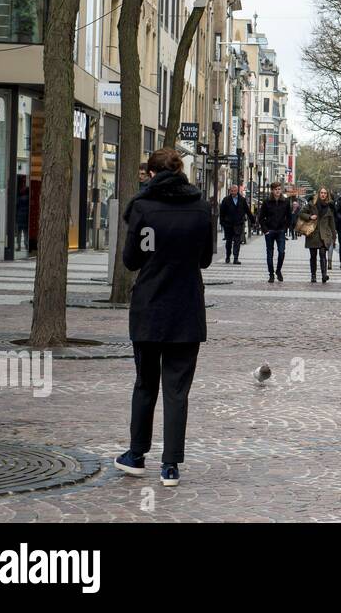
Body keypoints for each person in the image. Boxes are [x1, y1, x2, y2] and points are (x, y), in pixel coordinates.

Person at [115, 147, 212, 488]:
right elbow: (205, 259)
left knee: (145, 383)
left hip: (150, 307)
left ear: (152, 175)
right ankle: (170, 465)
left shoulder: (143, 208)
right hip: (186, 308)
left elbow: (130, 260)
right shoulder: (200, 208)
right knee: (177, 389)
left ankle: (136, 455)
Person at [296, 187, 337, 283]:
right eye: (321, 193)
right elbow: (301, 213)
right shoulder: (311, 204)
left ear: (327, 195)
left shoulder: (329, 207)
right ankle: (313, 275)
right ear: (318, 194)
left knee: (323, 254)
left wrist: (334, 236)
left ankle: (324, 275)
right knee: (313, 255)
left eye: (325, 193)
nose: (323, 195)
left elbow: (332, 223)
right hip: (313, 233)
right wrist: (310, 216)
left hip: (324, 234)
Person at [257, 182, 293, 283]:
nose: (277, 191)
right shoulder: (267, 202)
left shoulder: (285, 202)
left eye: (279, 189)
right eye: (276, 189)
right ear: (272, 190)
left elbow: (289, 218)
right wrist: (265, 230)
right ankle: (271, 274)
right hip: (270, 231)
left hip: (280, 231)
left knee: (281, 252)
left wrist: (285, 228)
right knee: (270, 254)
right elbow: (261, 218)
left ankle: (278, 271)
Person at [218, 184, 254, 264]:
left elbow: (247, 211)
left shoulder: (242, 200)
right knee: (228, 242)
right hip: (228, 224)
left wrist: (253, 220)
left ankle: (235, 258)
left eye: (235, 191)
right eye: (232, 191)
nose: (233, 192)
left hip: (238, 224)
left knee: (237, 241)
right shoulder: (226, 200)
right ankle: (227, 256)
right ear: (230, 191)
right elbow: (222, 212)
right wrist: (222, 223)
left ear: (237, 191)